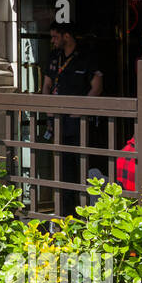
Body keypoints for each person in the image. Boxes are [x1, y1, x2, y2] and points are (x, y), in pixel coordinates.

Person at [42, 22, 103, 216]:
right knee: (63, 166)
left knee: (83, 164)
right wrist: (48, 107)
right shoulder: (54, 57)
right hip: (59, 120)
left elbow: (97, 87)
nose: (52, 41)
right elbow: (46, 84)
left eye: (55, 36)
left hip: (79, 121)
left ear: (66, 36)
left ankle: (87, 211)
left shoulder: (86, 57)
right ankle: (66, 211)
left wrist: (82, 110)